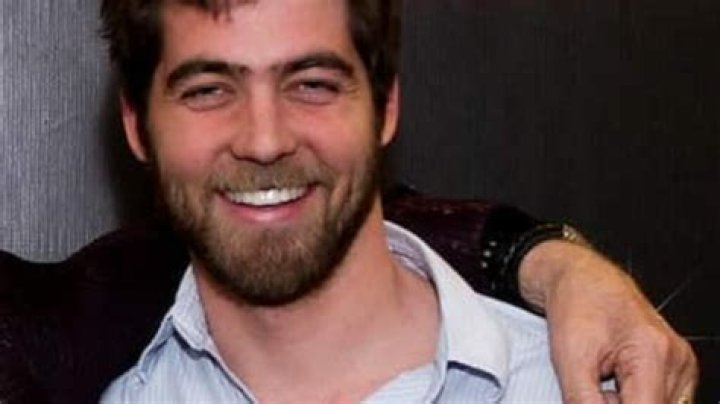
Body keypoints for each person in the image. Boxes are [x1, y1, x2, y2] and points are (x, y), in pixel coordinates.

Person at [98, 0, 697, 402]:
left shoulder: (574, 389)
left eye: (312, 85)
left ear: (385, 107)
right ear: (136, 124)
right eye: (207, 90)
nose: (264, 140)